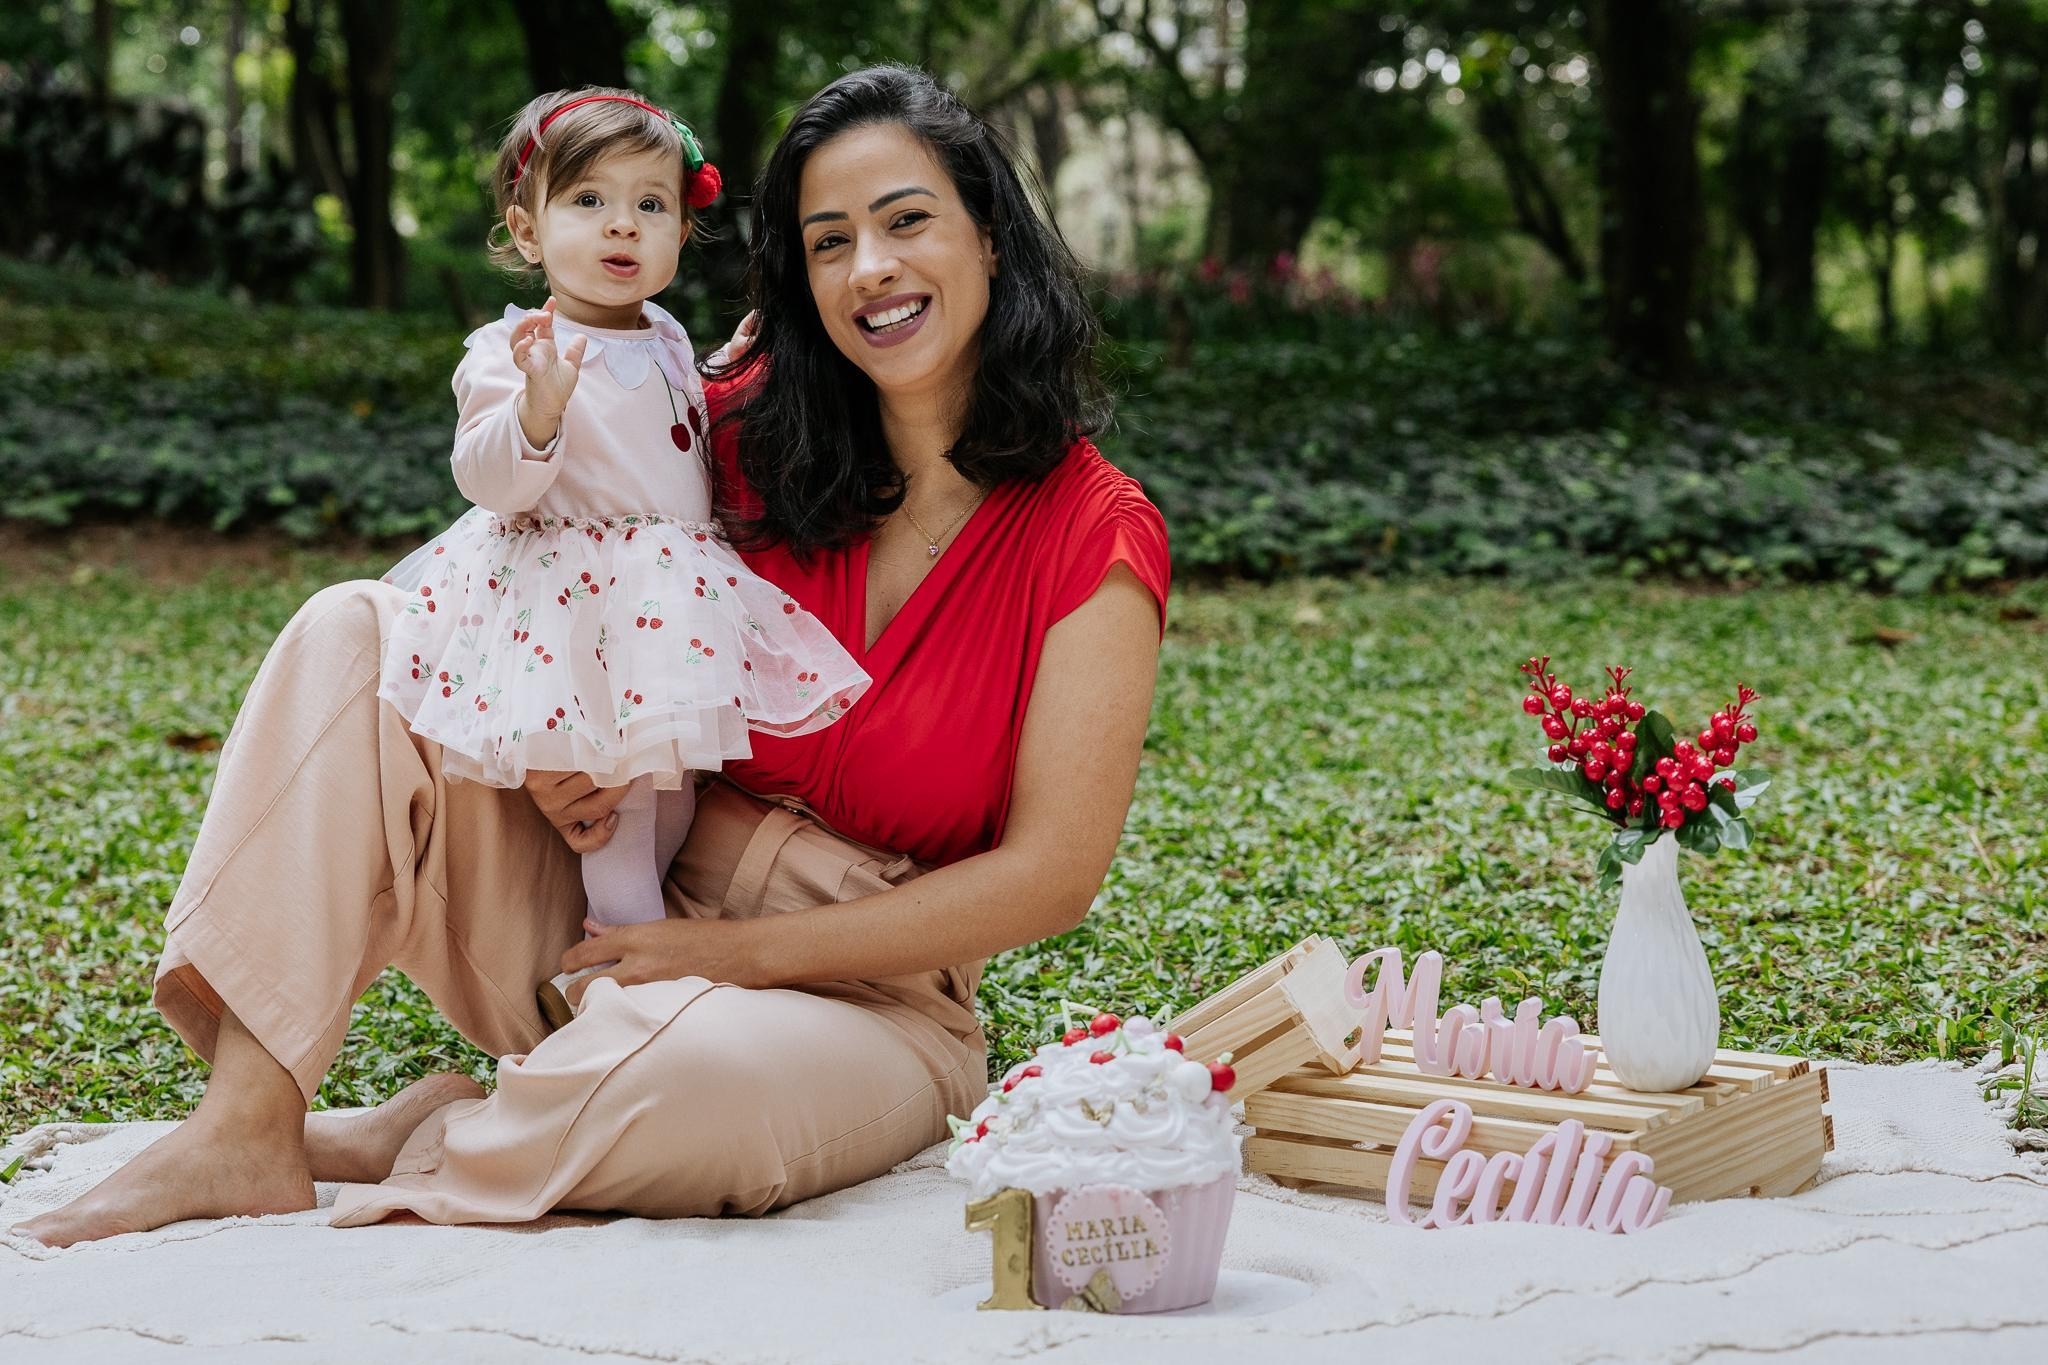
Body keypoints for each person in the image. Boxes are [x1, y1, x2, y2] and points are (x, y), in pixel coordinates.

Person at [12, 63, 1169, 1247]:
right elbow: (533, 565)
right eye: (828, 241)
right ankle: (248, 1126)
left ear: (988, 236)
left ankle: (447, 1127)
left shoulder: (1093, 530)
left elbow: (1050, 877)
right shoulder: (732, 424)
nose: (868, 267)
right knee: (355, 632)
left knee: (687, 1084)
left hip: (861, 998)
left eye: (906, 221)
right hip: (610, 897)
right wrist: (548, 745)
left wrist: (728, 956)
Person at [376, 88, 866, 1026]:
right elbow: (488, 478)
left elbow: (671, 423)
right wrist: (538, 409)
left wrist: (724, 367)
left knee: (671, 801)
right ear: (528, 230)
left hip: (667, 605)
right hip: (579, 611)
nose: (622, 225)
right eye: (589, 200)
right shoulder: (515, 349)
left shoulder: (668, 335)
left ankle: (612, 962)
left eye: (651, 204)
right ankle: (625, 984)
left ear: (683, 229)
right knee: (620, 815)